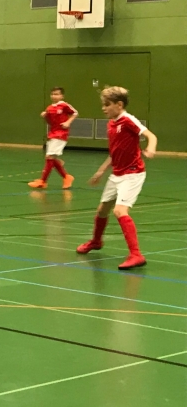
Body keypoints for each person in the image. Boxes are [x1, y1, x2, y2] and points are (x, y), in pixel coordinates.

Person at [77, 86, 157, 270]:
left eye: (107, 105)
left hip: (132, 174)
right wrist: (101, 171)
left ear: (119, 105)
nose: (103, 108)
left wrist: (151, 148)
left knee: (120, 211)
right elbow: (115, 152)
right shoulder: (111, 124)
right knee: (102, 210)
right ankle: (96, 241)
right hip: (117, 174)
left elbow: (150, 136)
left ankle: (136, 255)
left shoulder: (128, 120)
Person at [29, 87, 77, 189]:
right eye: (52, 94)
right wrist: (45, 116)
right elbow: (50, 123)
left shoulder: (64, 105)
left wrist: (68, 122)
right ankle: (66, 176)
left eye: (57, 94)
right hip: (52, 134)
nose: (54, 96)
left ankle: (43, 181)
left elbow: (75, 113)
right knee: (50, 158)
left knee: (50, 157)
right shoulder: (49, 108)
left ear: (62, 96)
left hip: (61, 134)